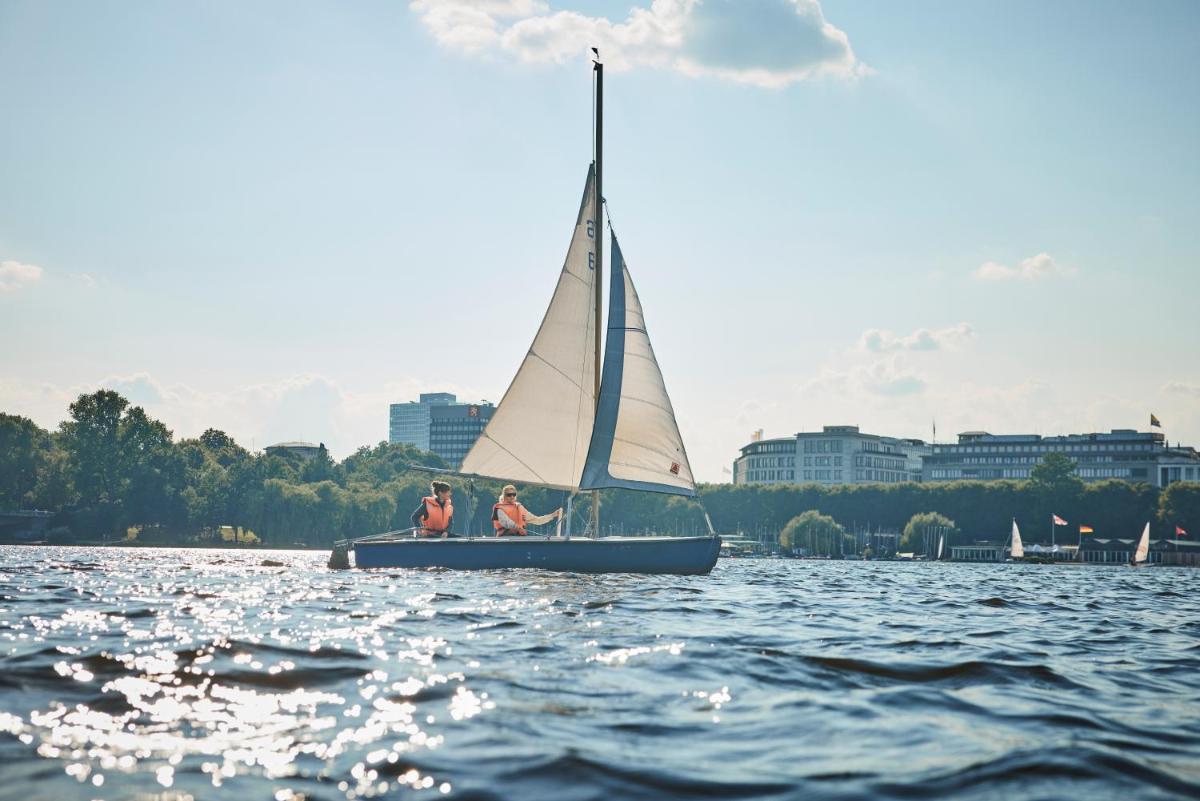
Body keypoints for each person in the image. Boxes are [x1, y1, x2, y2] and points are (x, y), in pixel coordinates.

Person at [492, 484, 561, 536]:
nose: (512, 496)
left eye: (514, 494)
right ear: (504, 496)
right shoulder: (499, 509)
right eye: (509, 495)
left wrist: (553, 515)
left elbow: (537, 520)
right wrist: (518, 527)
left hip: (520, 540)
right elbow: (506, 523)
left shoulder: (520, 508)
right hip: (505, 539)